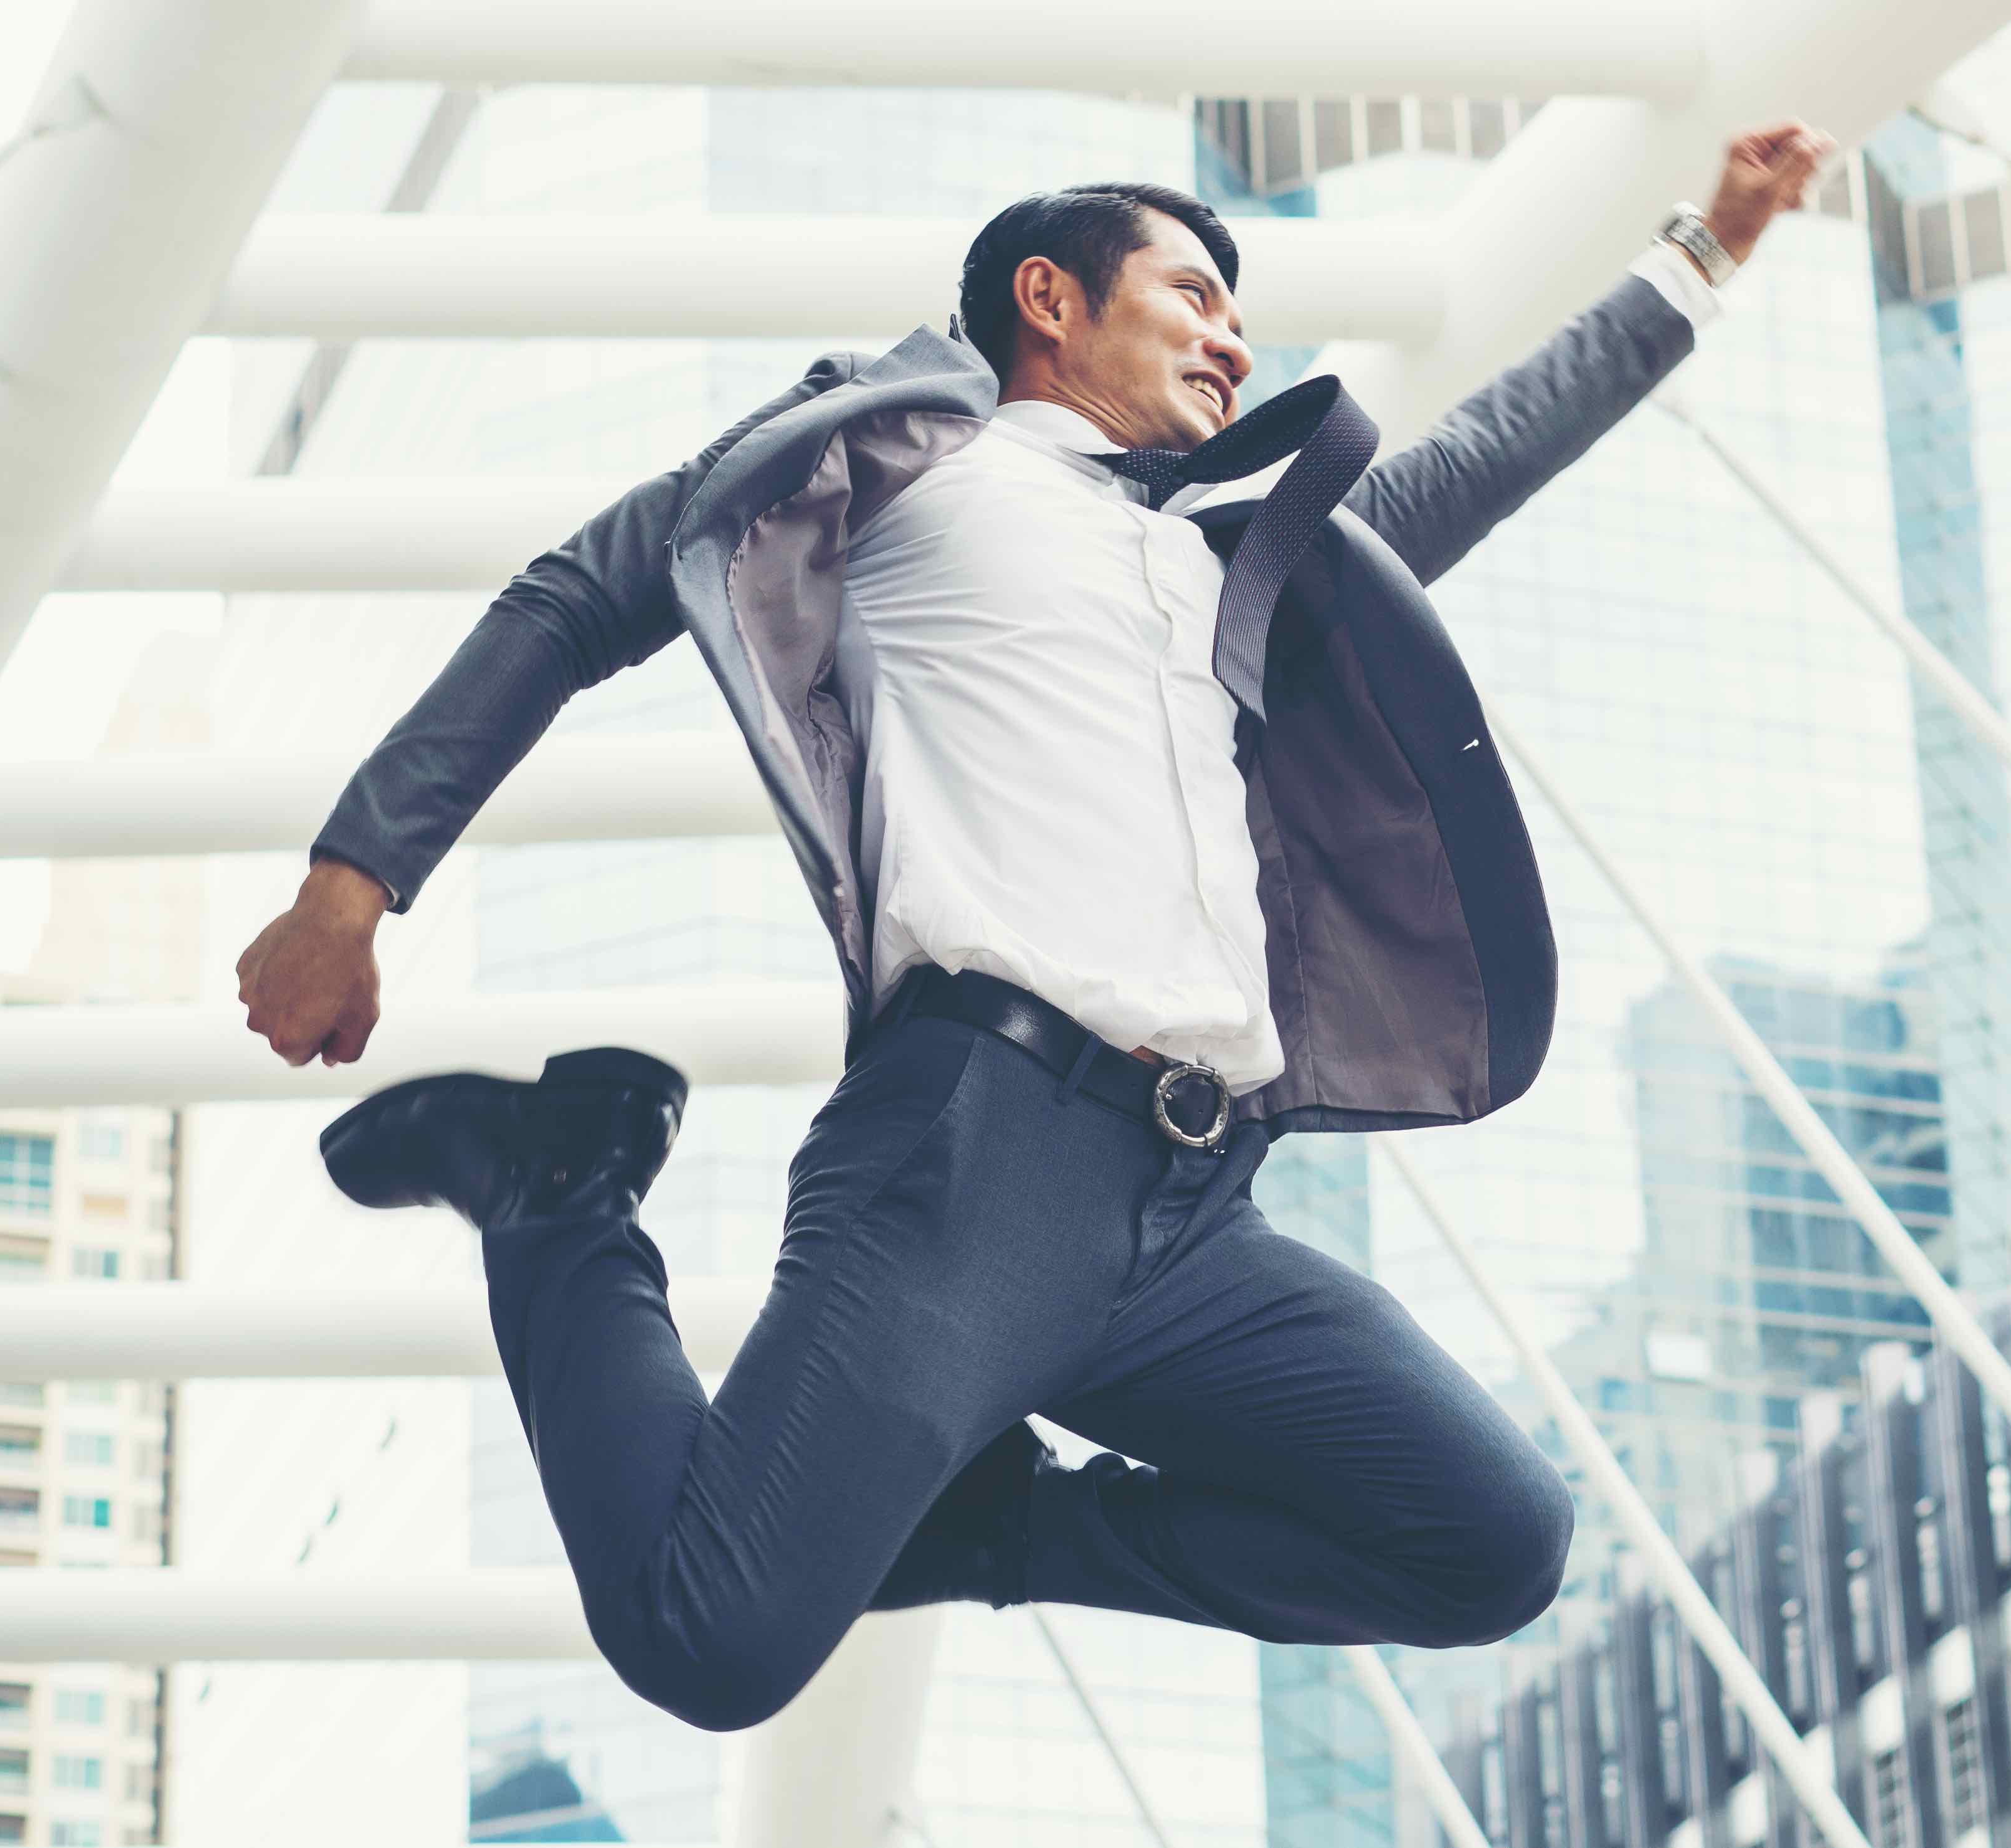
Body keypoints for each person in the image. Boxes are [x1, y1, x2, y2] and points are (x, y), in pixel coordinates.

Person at [236, 122, 1833, 1732]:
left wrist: (1707, 248)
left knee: (1490, 1543)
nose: (1233, 336)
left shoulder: (1234, 570)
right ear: (1049, 300)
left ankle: (1002, 1525)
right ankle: (560, 1192)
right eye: (1193, 293)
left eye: (1237, 315)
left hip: (1196, 1209)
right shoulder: (901, 475)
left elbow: (1474, 460)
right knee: (705, 1641)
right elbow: (579, 596)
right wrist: (352, 883)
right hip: (973, 1160)